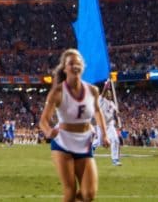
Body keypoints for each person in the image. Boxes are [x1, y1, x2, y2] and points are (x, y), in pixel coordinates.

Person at [39, 49, 109, 202]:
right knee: (70, 191)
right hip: (63, 143)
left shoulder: (93, 90)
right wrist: (48, 131)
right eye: (71, 63)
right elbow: (43, 120)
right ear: (65, 68)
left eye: (78, 63)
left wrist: (104, 134)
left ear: (83, 67)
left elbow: (98, 112)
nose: (75, 66)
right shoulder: (57, 92)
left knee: (88, 194)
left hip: (84, 143)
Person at [99, 85, 121, 166]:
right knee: (99, 143)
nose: (110, 95)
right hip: (101, 125)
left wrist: (118, 113)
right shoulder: (101, 100)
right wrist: (107, 84)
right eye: (108, 94)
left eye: (111, 94)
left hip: (110, 125)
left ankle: (115, 159)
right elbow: (104, 91)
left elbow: (116, 112)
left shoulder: (112, 103)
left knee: (115, 140)